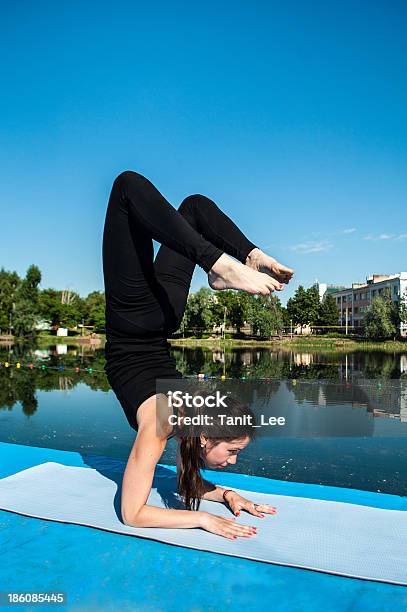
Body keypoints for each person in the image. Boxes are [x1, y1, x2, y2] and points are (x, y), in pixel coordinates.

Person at [102, 170, 294, 538]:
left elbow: (171, 490)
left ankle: (238, 259)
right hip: (139, 319)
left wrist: (226, 495)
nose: (234, 461)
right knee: (134, 189)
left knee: (183, 205)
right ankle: (226, 262)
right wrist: (203, 517)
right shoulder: (174, 419)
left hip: (152, 317)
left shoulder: (186, 415)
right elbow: (134, 513)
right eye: (234, 450)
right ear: (206, 438)